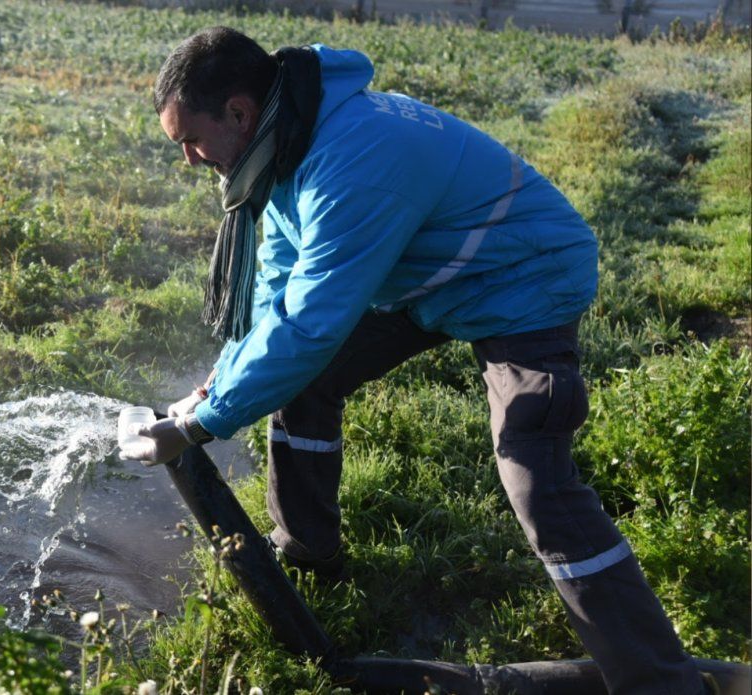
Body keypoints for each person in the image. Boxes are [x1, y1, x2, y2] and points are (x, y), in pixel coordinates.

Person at [119, 26, 706, 695]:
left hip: (523, 275)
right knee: (305, 378)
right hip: (433, 274)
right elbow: (277, 299)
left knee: (536, 478)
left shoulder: (351, 157)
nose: (189, 159)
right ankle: (309, 551)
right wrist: (215, 384)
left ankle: (660, 681)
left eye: (188, 140)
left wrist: (199, 426)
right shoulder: (286, 145)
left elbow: (312, 324)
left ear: (238, 112)